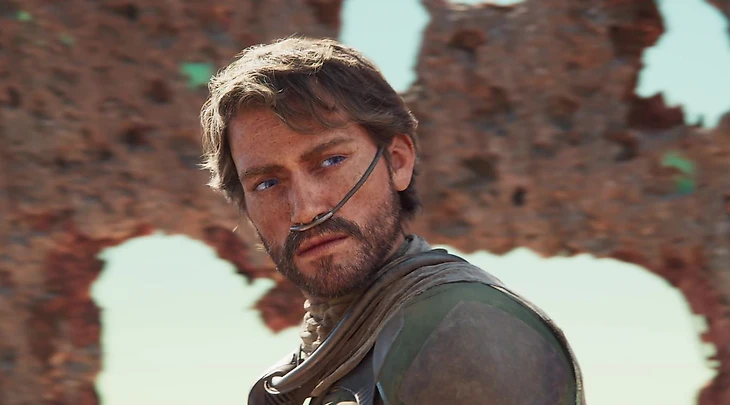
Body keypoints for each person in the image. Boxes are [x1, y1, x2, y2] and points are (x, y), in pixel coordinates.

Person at [200, 36, 585, 405]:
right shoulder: (317, 358)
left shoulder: (459, 332)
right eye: (267, 183)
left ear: (397, 161)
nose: (305, 210)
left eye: (331, 161)